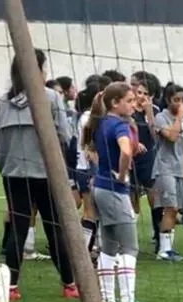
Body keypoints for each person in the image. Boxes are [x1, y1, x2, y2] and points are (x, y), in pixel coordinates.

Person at [0, 48, 78, 301]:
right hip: (45, 174)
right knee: (54, 229)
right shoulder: (50, 97)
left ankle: (11, 286)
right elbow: (66, 134)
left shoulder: (1, 103)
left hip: (13, 174)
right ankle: (69, 283)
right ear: (36, 70)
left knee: (17, 228)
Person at [82, 82, 153, 302]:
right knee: (130, 247)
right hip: (114, 190)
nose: (135, 105)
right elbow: (125, 151)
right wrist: (122, 175)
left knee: (109, 246)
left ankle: (108, 300)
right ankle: (127, 301)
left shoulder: (102, 123)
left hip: (100, 188)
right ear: (115, 103)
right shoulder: (120, 125)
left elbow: (95, 150)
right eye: (130, 101)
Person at [75, 74, 112, 264]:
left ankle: (93, 250)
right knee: (91, 212)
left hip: (87, 169)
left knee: (96, 213)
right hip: (88, 170)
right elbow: (89, 147)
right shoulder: (90, 118)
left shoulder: (92, 116)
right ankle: (82, 254)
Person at [152, 83, 183, 262]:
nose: (180, 103)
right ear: (168, 100)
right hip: (165, 168)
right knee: (170, 207)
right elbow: (172, 137)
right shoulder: (161, 117)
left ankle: (168, 248)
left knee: (176, 210)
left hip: (180, 170)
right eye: (176, 100)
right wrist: (180, 116)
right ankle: (163, 250)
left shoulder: (182, 121)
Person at [129, 71, 162, 251]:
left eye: (145, 94)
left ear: (152, 96)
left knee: (154, 197)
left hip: (148, 159)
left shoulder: (155, 111)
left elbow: (155, 135)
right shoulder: (127, 109)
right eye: (138, 92)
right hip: (130, 158)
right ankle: (130, 239)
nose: (140, 96)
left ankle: (159, 236)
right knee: (131, 197)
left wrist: (149, 111)